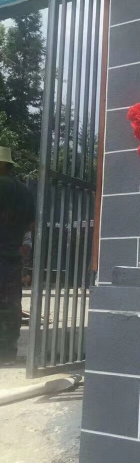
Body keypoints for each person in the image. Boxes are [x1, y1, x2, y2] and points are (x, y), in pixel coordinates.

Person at [0, 147, 35, 364]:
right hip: (13, 255)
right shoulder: (24, 191)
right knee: (10, 303)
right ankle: (7, 353)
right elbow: (31, 225)